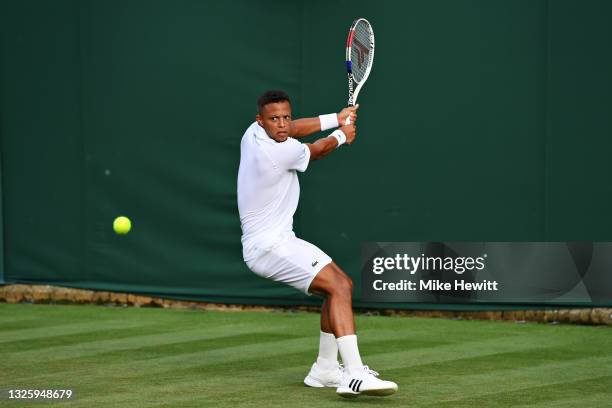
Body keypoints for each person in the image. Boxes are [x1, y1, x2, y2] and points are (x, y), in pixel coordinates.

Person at [237, 90, 397, 398]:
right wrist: (341, 134)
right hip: (268, 247)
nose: (282, 125)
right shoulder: (277, 153)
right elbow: (317, 150)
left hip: (277, 241)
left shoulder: (253, 131)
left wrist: (334, 118)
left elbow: (296, 129)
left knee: (340, 285)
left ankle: (324, 369)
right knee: (338, 286)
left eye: (285, 116)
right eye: (274, 119)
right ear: (261, 121)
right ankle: (353, 374)